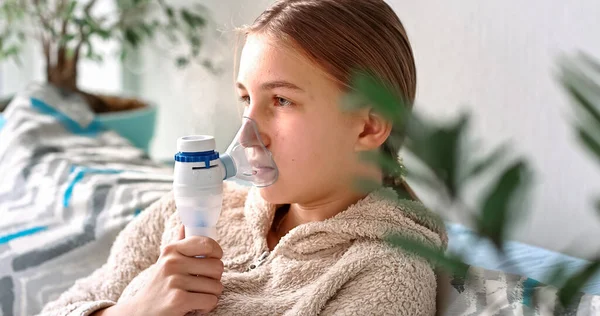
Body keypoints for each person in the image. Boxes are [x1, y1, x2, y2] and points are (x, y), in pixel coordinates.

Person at [40, 0, 447, 315]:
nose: (247, 131)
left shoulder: (384, 273)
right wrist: (129, 311)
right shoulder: (188, 214)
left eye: (282, 100)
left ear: (368, 126)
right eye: (246, 98)